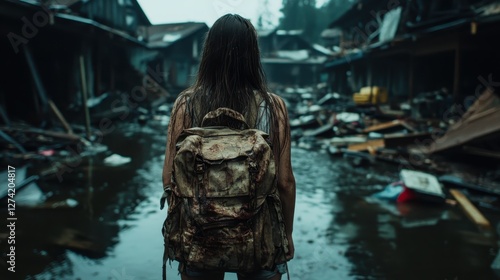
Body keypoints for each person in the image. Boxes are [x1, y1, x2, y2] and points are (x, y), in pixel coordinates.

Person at [162, 14, 296, 280]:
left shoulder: (186, 104)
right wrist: (287, 235)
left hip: (200, 237)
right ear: (253, 55)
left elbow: (169, 178)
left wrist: (179, 232)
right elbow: (284, 182)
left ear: (209, 52)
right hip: (260, 238)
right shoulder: (273, 106)